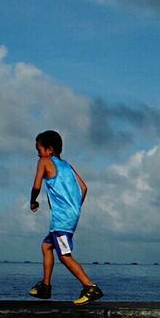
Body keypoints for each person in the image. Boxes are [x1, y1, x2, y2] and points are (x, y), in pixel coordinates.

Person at [29, 130, 103, 306]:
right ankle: (46, 286)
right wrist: (74, 207)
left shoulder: (44, 161)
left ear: (49, 150)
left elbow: (36, 185)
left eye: (39, 149)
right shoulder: (67, 166)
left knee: (64, 255)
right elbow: (84, 188)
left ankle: (90, 286)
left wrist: (33, 201)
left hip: (62, 218)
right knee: (47, 246)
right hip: (70, 215)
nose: (37, 153)